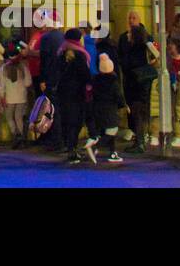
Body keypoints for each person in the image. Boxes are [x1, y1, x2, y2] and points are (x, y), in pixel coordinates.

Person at [118, 10, 156, 154]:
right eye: (129, 17)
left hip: (141, 78)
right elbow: (120, 55)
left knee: (138, 108)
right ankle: (138, 138)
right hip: (129, 77)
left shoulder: (144, 36)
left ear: (139, 20)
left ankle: (140, 140)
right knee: (132, 108)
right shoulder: (123, 37)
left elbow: (154, 54)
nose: (131, 20)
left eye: (134, 18)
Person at [56, 28, 93, 164]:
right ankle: (73, 149)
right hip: (77, 93)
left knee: (66, 120)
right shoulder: (80, 54)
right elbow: (85, 74)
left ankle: (68, 146)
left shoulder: (61, 52)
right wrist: (90, 85)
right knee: (76, 122)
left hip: (63, 92)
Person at [35, 12, 65, 150]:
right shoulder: (62, 37)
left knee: (51, 110)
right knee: (60, 109)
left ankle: (55, 141)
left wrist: (42, 79)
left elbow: (44, 60)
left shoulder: (46, 38)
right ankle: (62, 141)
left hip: (51, 79)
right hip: (62, 79)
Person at [93, 44, 126, 163]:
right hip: (110, 109)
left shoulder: (96, 80)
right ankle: (96, 146)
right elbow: (118, 96)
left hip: (97, 109)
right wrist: (123, 105)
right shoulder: (113, 82)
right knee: (112, 130)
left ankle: (112, 152)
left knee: (104, 130)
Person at [0, 43, 33, 147]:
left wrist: (2, 96)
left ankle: (15, 135)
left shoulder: (4, 68)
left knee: (9, 117)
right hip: (21, 96)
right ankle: (22, 137)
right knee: (19, 117)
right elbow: (28, 83)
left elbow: (2, 85)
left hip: (9, 97)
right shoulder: (23, 67)